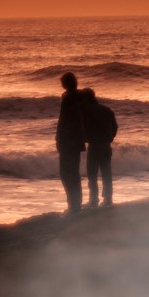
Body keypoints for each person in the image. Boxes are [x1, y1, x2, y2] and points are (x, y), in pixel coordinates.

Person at [80, 87, 118, 208]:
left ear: (86, 98)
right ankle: (108, 199)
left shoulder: (87, 111)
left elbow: (83, 127)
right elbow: (115, 126)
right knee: (106, 173)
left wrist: (85, 139)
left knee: (92, 174)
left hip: (94, 145)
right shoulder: (107, 110)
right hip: (106, 145)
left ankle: (93, 200)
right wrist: (111, 137)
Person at [55, 71, 86, 212]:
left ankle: (73, 205)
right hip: (76, 140)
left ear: (66, 83)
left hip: (68, 141)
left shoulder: (68, 98)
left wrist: (59, 139)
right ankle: (76, 204)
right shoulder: (79, 97)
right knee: (73, 172)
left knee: (66, 173)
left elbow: (65, 122)